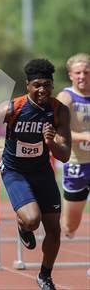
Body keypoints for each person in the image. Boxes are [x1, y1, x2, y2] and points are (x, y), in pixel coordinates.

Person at [0, 59, 71, 290]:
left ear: (52, 85)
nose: (42, 89)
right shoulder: (12, 108)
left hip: (42, 171)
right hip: (15, 171)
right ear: (27, 85)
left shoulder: (58, 111)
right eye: (37, 85)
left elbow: (64, 155)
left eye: (47, 84)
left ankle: (45, 275)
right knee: (33, 220)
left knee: (54, 230)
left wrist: (50, 141)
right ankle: (24, 226)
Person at [56, 53, 90, 238]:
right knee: (70, 227)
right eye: (78, 72)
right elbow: (58, 133)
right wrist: (83, 136)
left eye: (86, 72)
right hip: (76, 165)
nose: (82, 76)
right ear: (70, 75)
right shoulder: (66, 97)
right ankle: (59, 227)